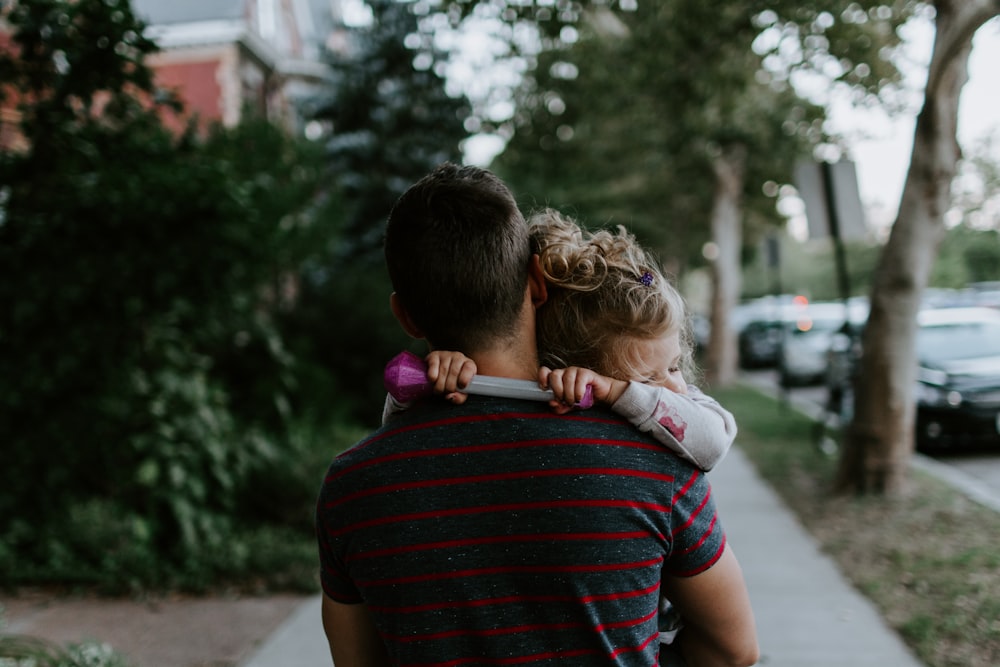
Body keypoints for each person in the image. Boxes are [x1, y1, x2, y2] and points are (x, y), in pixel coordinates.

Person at [316, 163, 759, 667]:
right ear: (536, 281)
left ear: (405, 315)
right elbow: (733, 650)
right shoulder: (655, 459)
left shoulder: (352, 486)